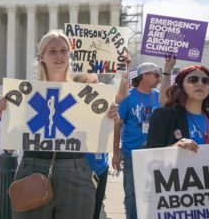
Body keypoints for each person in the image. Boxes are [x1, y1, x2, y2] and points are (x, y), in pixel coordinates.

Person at [0, 30, 119, 219]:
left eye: (63, 50)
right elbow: (11, 143)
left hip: (76, 170)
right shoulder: (23, 95)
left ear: (70, 55)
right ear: (41, 57)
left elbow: (96, 140)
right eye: (52, 51)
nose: (59, 56)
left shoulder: (85, 95)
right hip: (32, 170)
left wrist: (109, 118)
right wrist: (5, 114)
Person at [112, 59, 175, 219]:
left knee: (153, 192)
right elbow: (117, 125)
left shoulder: (158, 96)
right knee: (132, 192)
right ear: (144, 76)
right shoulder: (128, 96)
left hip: (154, 154)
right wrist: (116, 153)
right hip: (131, 153)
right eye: (155, 75)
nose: (158, 78)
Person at [72, 73, 109, 219]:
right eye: (92, 83)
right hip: (80, 166)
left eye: (97, 82)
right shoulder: (73, 108)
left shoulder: (103, 106)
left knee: (95, 211)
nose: (97, 86)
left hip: (101, 166)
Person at [147, 65, 209, 150]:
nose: (200, 84)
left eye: (206, 81)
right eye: (193, 80)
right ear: (181, 85)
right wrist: (174, 148)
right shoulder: (164, 115)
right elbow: (150, 152)